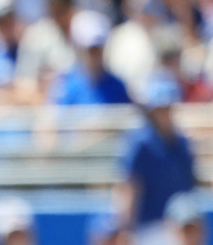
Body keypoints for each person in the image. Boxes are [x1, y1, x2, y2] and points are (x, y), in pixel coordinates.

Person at [118, 74, 196, 228]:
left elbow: (189, 186)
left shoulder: (182, 142)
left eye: (168, 108)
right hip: (148, 228)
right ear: (151, 112)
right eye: (160, 109)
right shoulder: (140, 143)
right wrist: (126, 228)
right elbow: (130, 188)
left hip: (179, 227)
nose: (165, 113)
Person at [51, 10, 132, 105]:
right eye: (90, 50)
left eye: (98, 48)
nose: (94, 54)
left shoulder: (118, 86)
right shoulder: (65, 86)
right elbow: (58, 117)